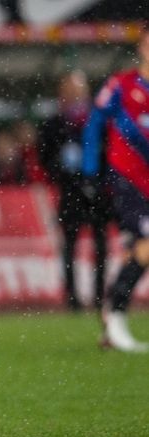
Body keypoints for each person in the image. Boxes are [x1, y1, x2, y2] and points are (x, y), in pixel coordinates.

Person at [82, 28, 149, 352]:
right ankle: (115, 313)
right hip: (128, 182)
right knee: (146, 244)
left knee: (137, 249)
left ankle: (111, 321)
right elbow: (94, 126)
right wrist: (90, 173)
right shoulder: (120, 85)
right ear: (141, 47)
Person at [40, 71, 109, 311]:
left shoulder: (98, 120)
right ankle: (73, 297)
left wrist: (98, 178)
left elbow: (110, 152)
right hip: (70, 191)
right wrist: (62, 172)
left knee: (100, 244)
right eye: (70, 89)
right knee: (70, 244)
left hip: (97, 190)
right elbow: (45, 156)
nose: (75, 94)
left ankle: (100, 294)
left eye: (78, 89)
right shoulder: (55, 123)